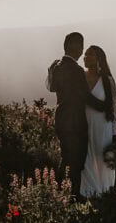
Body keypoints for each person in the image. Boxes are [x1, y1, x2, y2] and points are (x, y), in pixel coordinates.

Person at [46, 32, 110, 197]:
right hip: (75, 122)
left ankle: (61, 192)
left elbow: (52, 88)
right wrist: (104, 106)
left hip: (61, 119)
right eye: (81, 46)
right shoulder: (77, 70)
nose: (82, 51)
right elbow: (85, 96)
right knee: (76, 162)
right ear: (75, 47)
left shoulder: (56, 66)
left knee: (65, 157)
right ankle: (72, 196)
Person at [80, 45, 116, 198]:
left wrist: (115, 132)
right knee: (86, 159)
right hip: (83, 124)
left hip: (102, 125)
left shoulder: (107, 81)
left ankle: (105, 192)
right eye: (85, 54)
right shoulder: (80, 77)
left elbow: (113, 108)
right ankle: (89, 193)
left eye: (90, 55)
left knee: (103, 159)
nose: (86, 57)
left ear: (99, 59)